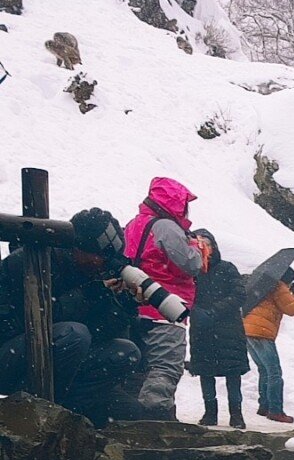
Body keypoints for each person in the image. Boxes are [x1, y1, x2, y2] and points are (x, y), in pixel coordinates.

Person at [0, 208, 146, 425]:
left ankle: (70, 416)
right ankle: (35, 415)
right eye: (102, 256)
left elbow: (99, 334)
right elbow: (35, 319)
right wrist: (88, 294)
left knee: (126, 353)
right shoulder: (30, 261)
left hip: (56, 364)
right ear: (79, 247)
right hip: (10, 355)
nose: (105, 264)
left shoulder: (89, 274)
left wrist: (123, 306)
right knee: (74, 334)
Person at [122, 177, 203, 419]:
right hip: (166, 309)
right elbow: (190, 263)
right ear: (175, 202)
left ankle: (127, 420)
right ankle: (154, 423)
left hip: (136, 308)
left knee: (136, 369)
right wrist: (198, 247)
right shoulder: (166, 227)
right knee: (164, 368)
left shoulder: (134, 223)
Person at [188, 229, 249, 428]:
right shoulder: (192, 272)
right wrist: (195, 311)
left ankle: (236, 414)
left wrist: (214, 311)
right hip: (202, 330)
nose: (204, 248)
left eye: (207, 244)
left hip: (228, 329)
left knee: (233, 373)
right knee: (206, 372)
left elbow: (239, 294)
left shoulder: (227, 268)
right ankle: (210, 412)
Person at [244, 267, 294, 423]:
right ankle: (275, 410)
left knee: (264, 369)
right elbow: (291, 309)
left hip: (248, 329)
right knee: (274, 372)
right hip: (262, 332)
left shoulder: (264, 284)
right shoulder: (278, 286)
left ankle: (264, 406)